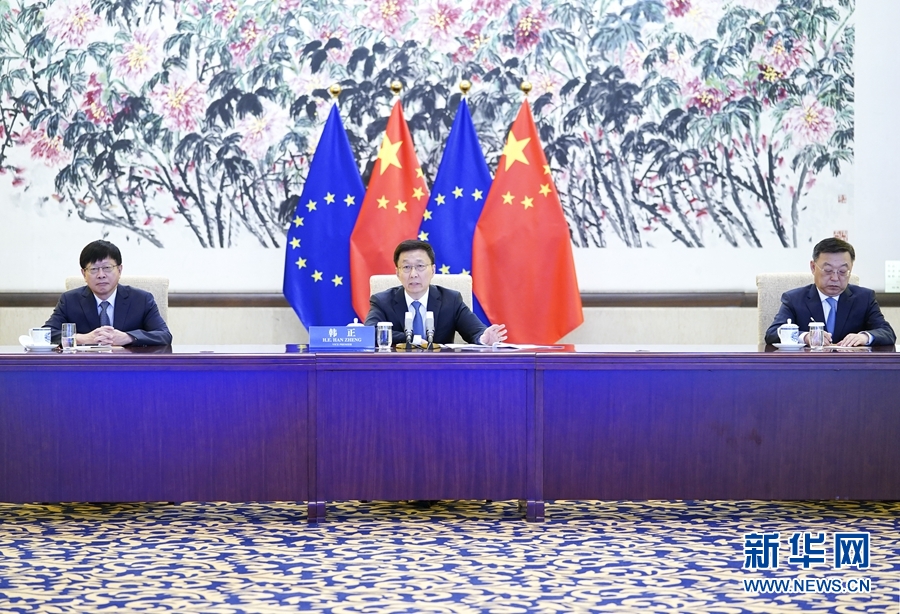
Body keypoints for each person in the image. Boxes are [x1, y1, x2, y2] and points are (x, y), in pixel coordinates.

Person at [365, 239, 507, 346]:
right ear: (397, 272)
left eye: (420, 266)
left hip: (440, 371)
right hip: (396, 370)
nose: (413, 274)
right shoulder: (382, 301)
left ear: (433, 270)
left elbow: (475, 331)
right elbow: (369, 333)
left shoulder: (450, 300)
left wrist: (484, 339)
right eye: (406, 267)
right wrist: (413, 339)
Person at [765, 238, 895, 347]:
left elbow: (887, 333)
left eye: (842, 271)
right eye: (827, 270)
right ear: (813, 267)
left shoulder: (864, 298)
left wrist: (864, 337)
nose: (835, 278)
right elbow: (772, 333)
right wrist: (805, 337)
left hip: (850, 367)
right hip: (809, 367)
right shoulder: (794, 299)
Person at [43, 240, 172, 346]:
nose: (101, 275)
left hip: (128, 366)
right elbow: (45, 335)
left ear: (119, 270)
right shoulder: (70, 300)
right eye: (93, 269)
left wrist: (128, 337)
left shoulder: (141, 300)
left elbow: (164, 335)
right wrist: (82, 338)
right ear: (84, 274)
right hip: (85, 366)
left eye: (107, 268)